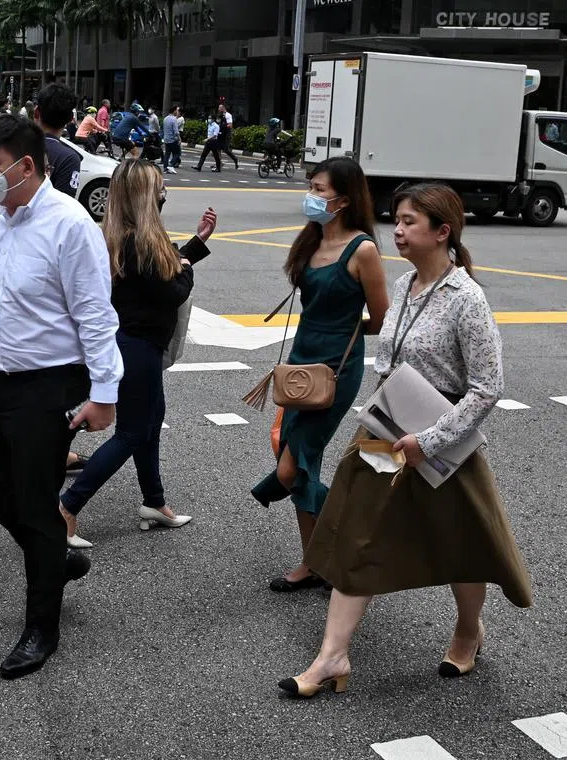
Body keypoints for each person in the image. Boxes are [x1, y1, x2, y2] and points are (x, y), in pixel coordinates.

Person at [279, 183, 532, 698]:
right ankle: (332, 656)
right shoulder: (407, 284)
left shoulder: (468, 299)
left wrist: (432, 438)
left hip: (442, 439)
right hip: (385, 431)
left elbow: (488, 387)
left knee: (466, 544)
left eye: (410, 222)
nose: (397, 229)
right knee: (358, 536)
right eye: (396, 220)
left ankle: (468, 631)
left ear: (443, 232)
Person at [0, 116, 123, 680]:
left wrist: (104, 393)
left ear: (27, 165)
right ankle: (55, 553)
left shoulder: (70, 225)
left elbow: (96, 314)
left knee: (34, 492)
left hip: (53, 381)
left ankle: (40, 625)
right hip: (0, 376)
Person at [250, 157, 389, 592]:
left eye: (319, 189)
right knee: (300, 464)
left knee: (291, 470)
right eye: (311, 186)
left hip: (336, 370)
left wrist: (345, 332)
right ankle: (314, 564)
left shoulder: (362, 249)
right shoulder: (309, 242)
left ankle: (352, 540)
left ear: (343, 199)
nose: (311, 195)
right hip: (299, 364)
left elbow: (381, 317)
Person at [60, 161, 215, 548]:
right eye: (160, 189)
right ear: (148, 196)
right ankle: (66, 508)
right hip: (139, 348)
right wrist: (186, 267)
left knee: (150, 421)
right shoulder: (143, 243)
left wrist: (193, 246)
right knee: (132, 432)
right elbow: (173, 288)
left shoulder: (118, 237)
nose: (164, 194)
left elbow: (164, 272)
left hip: (125, 343)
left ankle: (155, 502)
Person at [35, 83, 82, 198]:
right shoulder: (69, 158)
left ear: (36, 112)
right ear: (70, 118)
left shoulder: (16, 146)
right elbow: (65, 204)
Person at [218, 103, 239, 169]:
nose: (218, 109)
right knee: (217, 149)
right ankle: (219, 163)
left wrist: (223, 126)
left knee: (225, 149)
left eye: (220, 108)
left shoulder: (228, 115)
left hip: (227, 135)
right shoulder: (220, 115)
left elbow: (230, 125)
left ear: (223, 108)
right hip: (221, 134)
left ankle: (235, 159)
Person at [161, 105, 182, 174]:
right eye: (177, 110)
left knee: (167, 154)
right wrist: (179, 139)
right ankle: (171, 165)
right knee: (177, 153)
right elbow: (176, 131)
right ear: (174, 111)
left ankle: (165, 168)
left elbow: (163, 129)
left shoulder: (165, 118)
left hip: (166, 139)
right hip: (172, 140)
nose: (178, 112)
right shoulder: (174, 119)